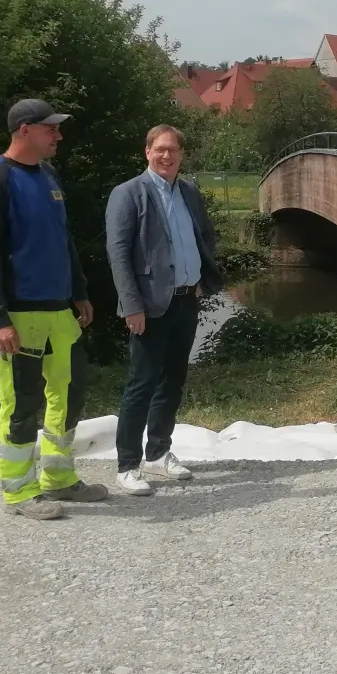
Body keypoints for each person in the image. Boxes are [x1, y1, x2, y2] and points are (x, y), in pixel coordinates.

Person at [0, 98, 106, 520]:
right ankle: (20, 491)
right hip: (18, 316)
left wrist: (79, 291)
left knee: (70, 392)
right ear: (24, 130)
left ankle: (59, 478)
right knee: (21, 403)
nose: (58, 135)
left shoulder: (48, 175)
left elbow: (63, 240)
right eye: (51, 128)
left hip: (59, 312)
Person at [105, 124, 225, 496]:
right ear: (147, 152)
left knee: (173, 379)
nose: (167, 156)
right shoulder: (129, 193)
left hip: (186, 299)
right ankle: (127, 464)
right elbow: (119, 254)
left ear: (182, 154)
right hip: (149, 306)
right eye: (160, 149)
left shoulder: (188, 191)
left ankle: (158, 452)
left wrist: (202, 277)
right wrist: (131, 305)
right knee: (141, 383)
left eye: (173, 150)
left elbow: (205, 234)